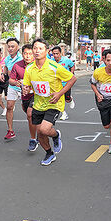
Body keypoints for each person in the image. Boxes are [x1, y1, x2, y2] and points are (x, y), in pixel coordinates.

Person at [23, 38, 77, 166]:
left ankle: (56, 135)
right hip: (38, 104)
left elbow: (72, 79)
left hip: (54, 103)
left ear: (47, 51)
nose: (37, 51)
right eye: (35, 48)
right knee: (40, 134)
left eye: (40, 48)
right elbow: (28, 85)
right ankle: (49, 153)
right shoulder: (29, 68)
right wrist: (26, 89)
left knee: (45, 129)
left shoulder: (54, 67)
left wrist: (59, 94)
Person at [9, 44, 38, 151]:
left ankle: (33, 139)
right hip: (25, 96)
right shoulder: (17, 65)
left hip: (37, 95)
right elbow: (11, 80)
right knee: (31, 115)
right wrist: (16, 82)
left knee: (30, 114)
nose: (28, 56)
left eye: (30, 54)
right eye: (25, 53)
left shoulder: (38, 65)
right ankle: (39, 133)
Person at [3, 38, 23, 140]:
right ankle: (10, 130)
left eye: (12, 46)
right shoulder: (7, 59)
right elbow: (6, 68)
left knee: (27, 109)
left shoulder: (22, 58)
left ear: (17, 47)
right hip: (12, 85)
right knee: (9, 106)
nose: (10, 48)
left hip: (23, 86)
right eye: (9, 46)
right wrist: (3, 73)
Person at [51, 46, 75, 120]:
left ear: (60, 53)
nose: (55, 55)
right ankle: (64, 113)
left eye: (57, 53)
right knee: (58, 99)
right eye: (54, 54)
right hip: (56, 84)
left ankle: (70, 99)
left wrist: (71, 74)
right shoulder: (51, 61)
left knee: (66, 99)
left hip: (66, 83)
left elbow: (72, 66)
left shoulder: (66, 60)